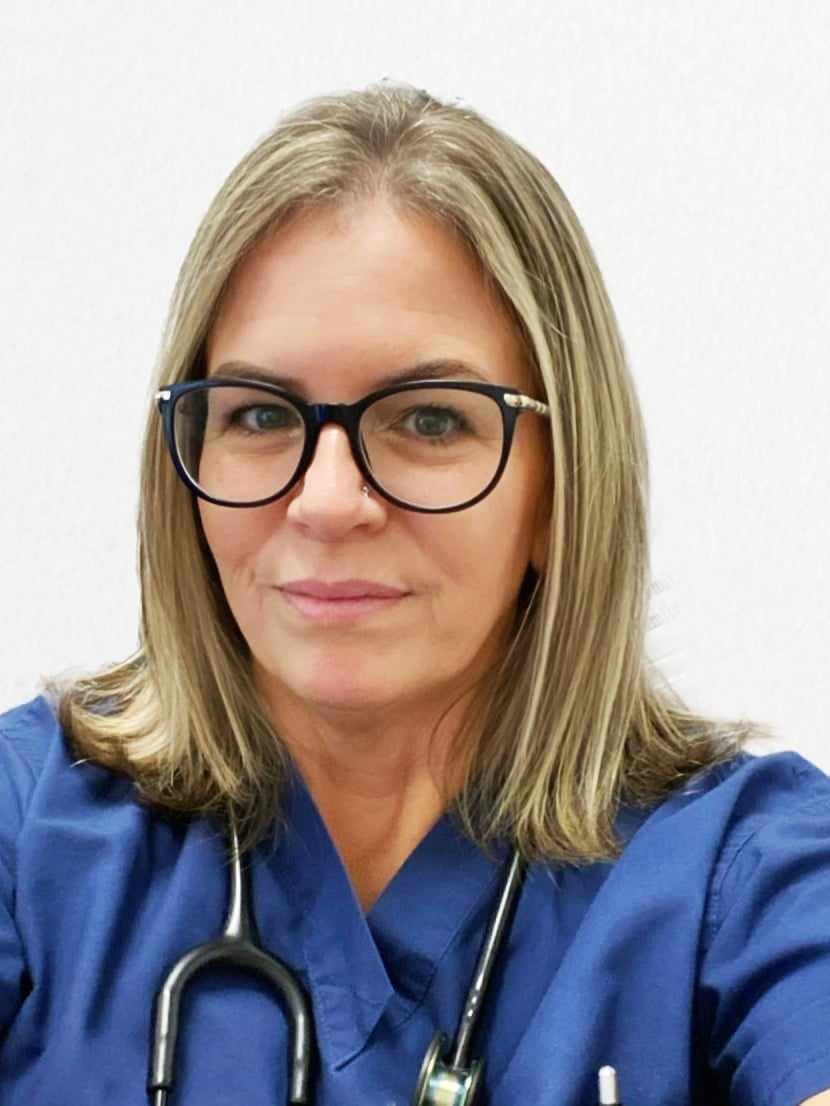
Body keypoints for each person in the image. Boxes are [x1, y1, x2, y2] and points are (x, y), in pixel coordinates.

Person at [1, 81, 828, 1106]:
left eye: (429, 420)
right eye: (259, 415)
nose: (328, 500)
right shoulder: (29, 823)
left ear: (559, 485)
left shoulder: (751, 871)